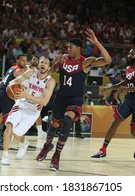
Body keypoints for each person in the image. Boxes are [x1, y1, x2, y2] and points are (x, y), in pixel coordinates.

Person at [36, 28, 112, 171]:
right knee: (53, 127)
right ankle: (47, 146)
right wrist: (54, 62)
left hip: (75, 99)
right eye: (67, 47)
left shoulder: (86, 62)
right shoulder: (63, 59)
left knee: (67, 121)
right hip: (60, 97)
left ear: (78, 48)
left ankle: (56, 155)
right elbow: (50, 72)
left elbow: (108, 60)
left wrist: (96, 42)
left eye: (70, 47)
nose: (68, 49)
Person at [91, 48, 135, 159]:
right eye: (129, 53)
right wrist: (109, 88)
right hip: (129, 100)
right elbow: (125, 82)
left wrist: (128, 89)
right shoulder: (128, 68)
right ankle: (103, 149)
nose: (129, 55)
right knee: (115, 122)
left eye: (132, 54)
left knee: (134, 130)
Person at [1, 56, 56, 165]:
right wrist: (13, 89)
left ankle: (24, 142)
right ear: (38, 65)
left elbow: (44, 102)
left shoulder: (50, 81)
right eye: (41, 62)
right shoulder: (30, 73)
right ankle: (5, 155)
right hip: (21, 104)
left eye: (46, 63)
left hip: (33, 111)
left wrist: (26, 95)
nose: (43, 64)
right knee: (9, 127)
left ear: (49, 67)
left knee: (17, 135)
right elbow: (14, 81)